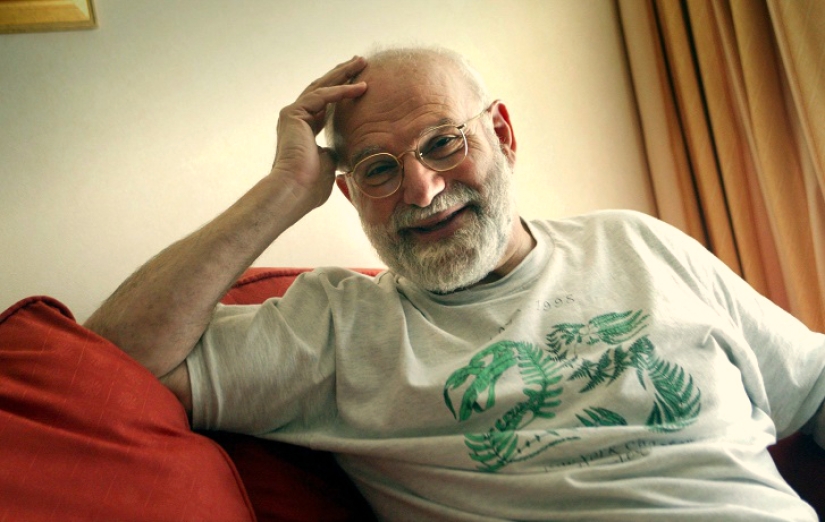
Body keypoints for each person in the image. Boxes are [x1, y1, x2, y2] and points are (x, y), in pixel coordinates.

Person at [85, 47, 825, 521]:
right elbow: (106, 364)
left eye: (443, 142)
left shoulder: (635, 244)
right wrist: (281, 189)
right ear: (348, 193)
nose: (422, 188)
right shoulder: (336, 329)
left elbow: (813, 384)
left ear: (501, 133)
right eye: (378, 169)